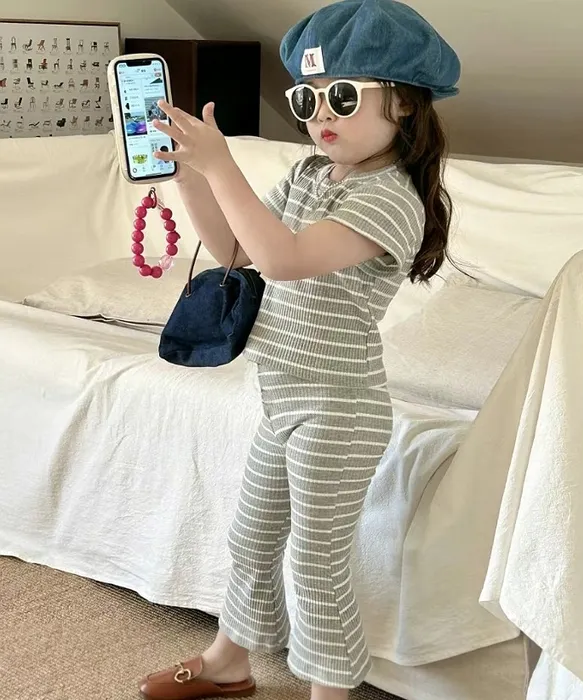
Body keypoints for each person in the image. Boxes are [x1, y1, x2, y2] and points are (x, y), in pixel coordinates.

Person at [139, 1, 460, 698]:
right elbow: (237, 251)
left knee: (316, 564)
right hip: (283, 398)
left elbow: (283, 261)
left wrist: (224, 164)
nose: (320, 115)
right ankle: (229, 662)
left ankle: (328, 691)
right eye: (306, 99)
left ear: (405, 102)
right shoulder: (312, 175)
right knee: (251, 540)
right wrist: (190, 175)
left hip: (339, 411)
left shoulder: (390, 197)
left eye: (342, 96)